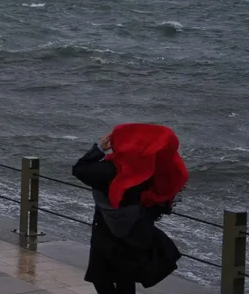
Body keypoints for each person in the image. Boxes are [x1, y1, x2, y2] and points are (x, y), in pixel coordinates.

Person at [72, 123, 189, 294]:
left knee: (100, 277)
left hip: (106, 230)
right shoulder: (150, 169)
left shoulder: (111, 169)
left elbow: (79, 169)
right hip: (135, 230)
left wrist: (100, 149)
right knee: (124, 277)